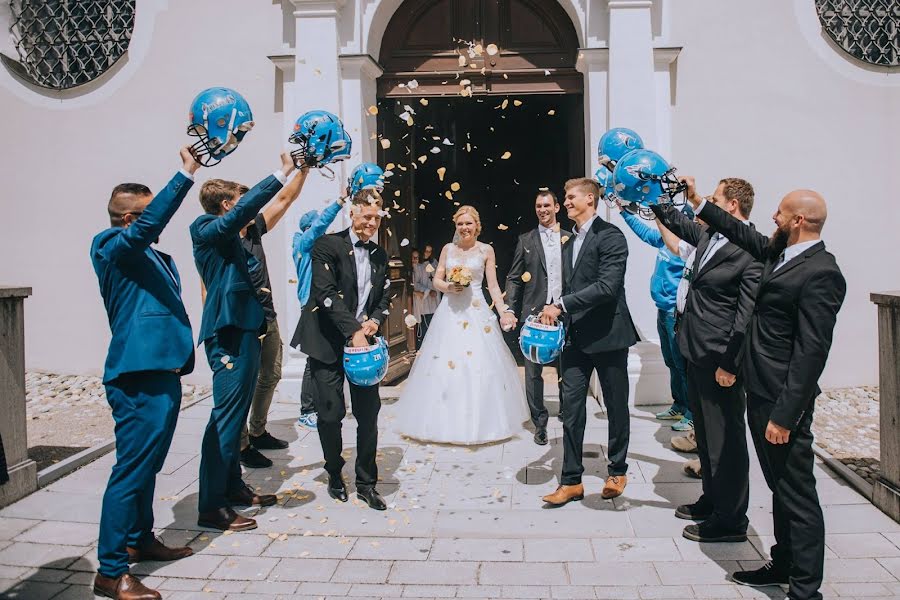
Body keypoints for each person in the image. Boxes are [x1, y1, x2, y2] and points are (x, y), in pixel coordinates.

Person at [684, 180, 846, 600]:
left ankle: (806, 590)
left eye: (779, 212)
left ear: (797, 221)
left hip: (780, 400)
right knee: (779, 488)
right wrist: (698, 202)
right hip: (758, 391)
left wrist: (785, 415)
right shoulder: (779, 252)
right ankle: (784, 562)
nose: (771, 217)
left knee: (798, 494)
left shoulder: (822, 272)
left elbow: (812, 353)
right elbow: (741, 232)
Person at [90, 147, 201, 600]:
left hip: (163, 372)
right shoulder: (111, 244)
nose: (157, 219)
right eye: (147, 211)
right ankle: (110, 571)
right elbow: (148, 226)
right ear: (129, 218)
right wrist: (187, 172)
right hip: (136, 376)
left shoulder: (155, 255)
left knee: (149, 465)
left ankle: (139, 538)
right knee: (131, 469)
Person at [190, 153, 298, 532]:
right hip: (229, 335)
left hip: (249, 330)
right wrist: (282, 170)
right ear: (226, 205)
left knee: (234, 419)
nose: (248, 209)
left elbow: (268, 210)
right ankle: (212, 507)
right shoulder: (205, 229)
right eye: (241, 201)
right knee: (224, 420)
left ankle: (233, 486)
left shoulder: (239, 235)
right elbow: (246, 211)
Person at [650, 178, 762, 543]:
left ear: (731, 206)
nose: (706, 205)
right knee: (707, 438)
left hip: (720, 360)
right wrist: (656, 196)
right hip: (694, 352)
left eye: (714, 199)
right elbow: (678, 222)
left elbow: (745, 316)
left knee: (725, 440)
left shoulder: (749, 249)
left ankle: (730, 520)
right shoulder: (710, 236)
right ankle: (711, 499)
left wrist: (731, 364)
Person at [540, 178, 639, 505]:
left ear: (590, 200)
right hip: (575, 339)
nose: (565, 203)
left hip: (609, 336)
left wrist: (563, 305)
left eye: (570, 198)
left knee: (615, 405)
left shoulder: (611, 237)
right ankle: (571, 481)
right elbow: (568, 288)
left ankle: (618, 468)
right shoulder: (568, 243)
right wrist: (551, 311)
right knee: (570, 407)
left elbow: (608, 286)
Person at [291, 189, 391, 510]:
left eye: (376, 218)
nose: (371, 223)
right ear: (353, 212)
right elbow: (325, 293)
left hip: (364, 349)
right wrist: (354, 330)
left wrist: (374, 321)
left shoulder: (380, 255)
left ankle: (366, 482)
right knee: (331, 414)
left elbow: (385, 296)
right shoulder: (326, 246)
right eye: (366, 216)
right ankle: (334, 472)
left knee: (369, 415)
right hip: (327, 343)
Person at [396, 205, 528, 445]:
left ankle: (482, 423)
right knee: (442, 363)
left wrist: (503, 311)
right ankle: (440, 422)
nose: (464, 228)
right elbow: (436, 279)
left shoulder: (486, 250)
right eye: (460, 224)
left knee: (478, 364)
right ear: (455, 227)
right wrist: (448, 287)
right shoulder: (448, 249)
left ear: (477, 226)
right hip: (450, 311)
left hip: (476, 311)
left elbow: (494, 286)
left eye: (469, 223)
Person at [233, 171, 309, 468]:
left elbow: (285, 198)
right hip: (241, 322)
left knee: (272, 374)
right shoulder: (221, 238)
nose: (252, 207)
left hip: (267, 316)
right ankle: (239, 446)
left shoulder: (253, 231)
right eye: (245, 202)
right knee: (242, 383)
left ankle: (258, 429)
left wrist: (303, 169)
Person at [502, 190, 572, 445]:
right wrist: (510, 308)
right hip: (533, 315)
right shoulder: (526, 240)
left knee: (568, 367)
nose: (542, 210)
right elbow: (513, 277)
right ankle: (539, 422)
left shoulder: (571, 237)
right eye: (538, 206)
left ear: (556, 207)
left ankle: (567, 412)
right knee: (533, 372)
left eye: (546, 205)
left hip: (564, 312)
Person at [618, 203, 694, 432]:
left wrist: (660, 219)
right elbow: (643, 232)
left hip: (675, 312)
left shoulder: (685, 246)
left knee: (682, 364)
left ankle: (691, 413)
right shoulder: (665, 239)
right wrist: (623, 211)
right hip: (662, 309)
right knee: (671, 361)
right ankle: (679, 405)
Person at [292, 198, 345, 430]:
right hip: (311, 304)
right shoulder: (304, 244)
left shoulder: (316, 247)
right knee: (312, 358)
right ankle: (307, 410)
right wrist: (339, 202)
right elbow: (319, 226)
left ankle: (321, 405)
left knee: (322, 355)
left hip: (321, 304)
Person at [411, 248, 441, 349]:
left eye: (430, 251)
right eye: (426, 251)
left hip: (434, 300)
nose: (427, 253)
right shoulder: (418, 267)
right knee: (423, 326)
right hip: (423, 300)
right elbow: (415, 284)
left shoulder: (434, 263)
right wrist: (427, 291)